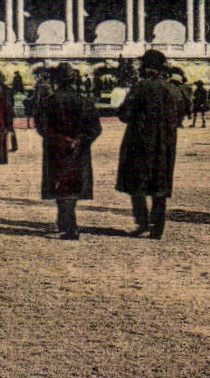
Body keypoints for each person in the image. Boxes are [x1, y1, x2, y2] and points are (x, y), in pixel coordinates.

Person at [116, 49, 181, 239]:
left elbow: (124, 114)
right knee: (160, 183)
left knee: (137, 184)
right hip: (165, 143)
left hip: (140, 142)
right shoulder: (172, 89)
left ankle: (142, 222)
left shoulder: (140, 87)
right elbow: (182, 114)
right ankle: (157, 226)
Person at [33, 64, 101, 240]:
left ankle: (68, 225)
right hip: (78, 150)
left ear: (56, 80)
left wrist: (60, 139)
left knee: (60, 185)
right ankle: (66, 222)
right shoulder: (84, 101)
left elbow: (42, 126)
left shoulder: (49, 102)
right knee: (72, 185)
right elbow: (95, 128)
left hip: (56, 149)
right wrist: (80, 140)